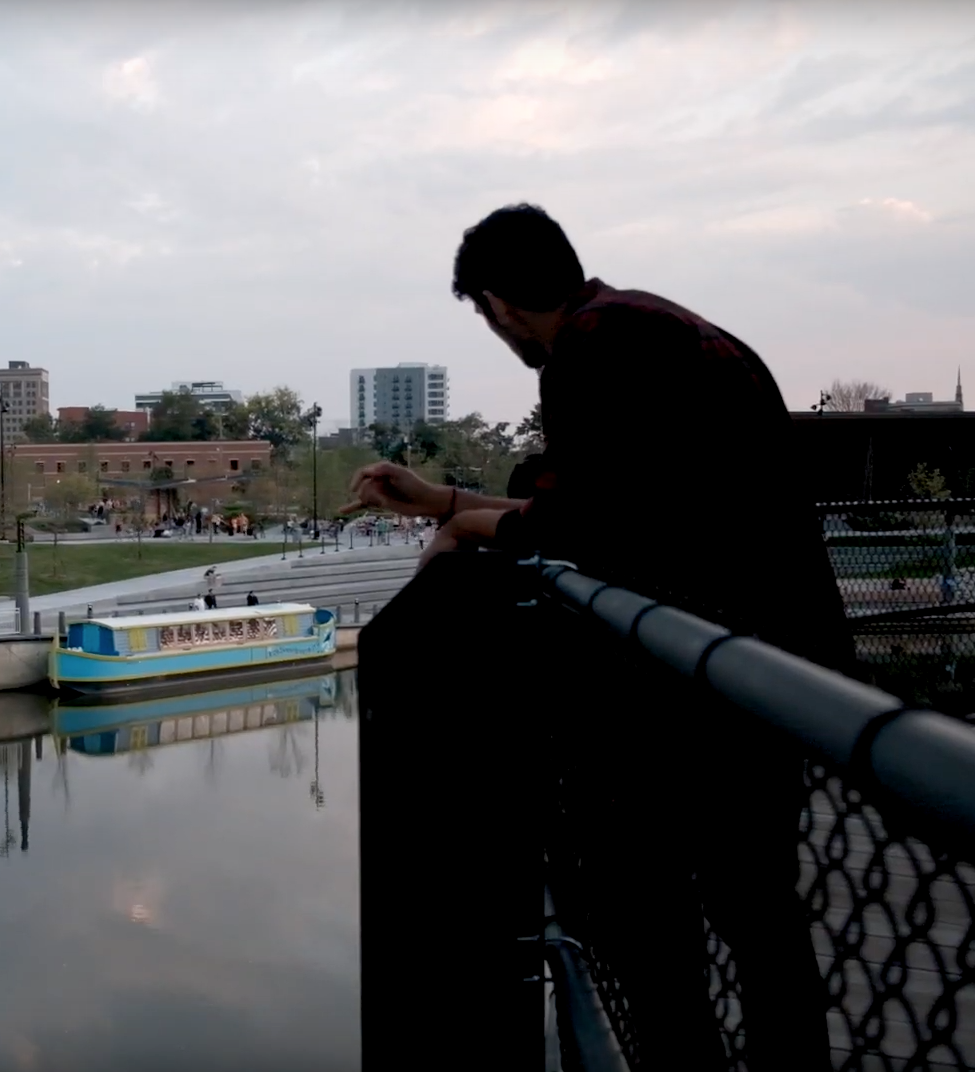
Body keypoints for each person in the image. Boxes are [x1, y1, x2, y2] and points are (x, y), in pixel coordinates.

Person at [348, 203, 843, 1069]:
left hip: (689, 672)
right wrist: (441, 505)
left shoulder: (590, 345)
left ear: (496, 305)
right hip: (764, 660)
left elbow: (590, 526)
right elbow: (619, 507)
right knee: (758, 913)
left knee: (663, 920)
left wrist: (464, 529)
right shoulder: (663, 327)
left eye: (486, 316)